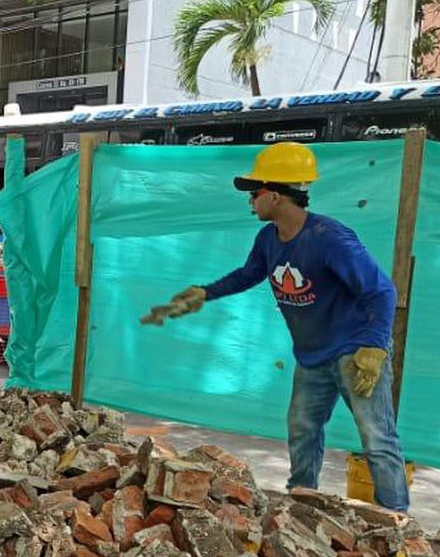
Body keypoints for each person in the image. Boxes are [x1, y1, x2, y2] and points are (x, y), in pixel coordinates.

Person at [144, 142, 409, 512]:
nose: (250, 201)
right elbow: (249, 274)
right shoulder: (268, 239)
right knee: (302, 432)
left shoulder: (329, 238)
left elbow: (382, 291)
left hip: (355, 350)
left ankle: (397, 525)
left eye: (255, 193)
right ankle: (302, 506)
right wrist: (205, 292)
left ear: (277, 195)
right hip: (313, 356)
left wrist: (375, 346)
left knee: (378, 439)